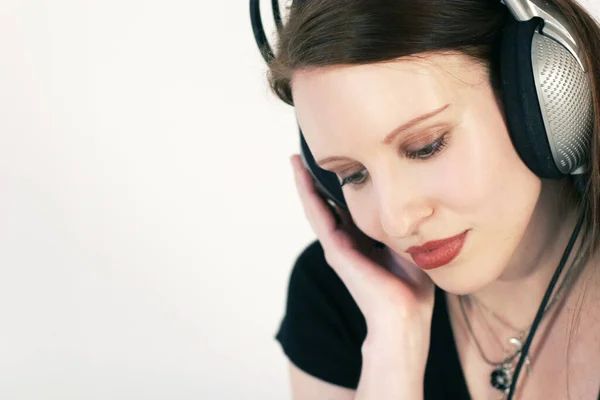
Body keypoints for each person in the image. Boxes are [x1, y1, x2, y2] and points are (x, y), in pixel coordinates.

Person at [263, 0, 600, 398]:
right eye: (353, 175)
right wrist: (393, 345)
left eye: (426, 147)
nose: (396, 221)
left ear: (549, 103)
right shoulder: (337, 298)